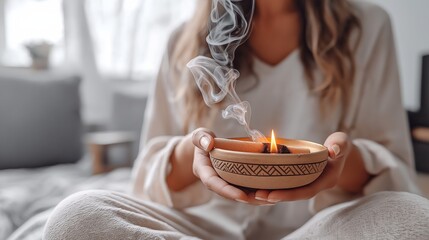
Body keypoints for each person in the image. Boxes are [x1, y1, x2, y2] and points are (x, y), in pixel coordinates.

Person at [44, 0, 429, 239]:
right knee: (77, 217)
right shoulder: (183, 38)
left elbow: (395, 170)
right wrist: (193, 156)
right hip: (202, 229)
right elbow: (147, 177)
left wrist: (339, 163)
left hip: (321, 227)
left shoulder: (366, 27)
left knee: (412, 218)